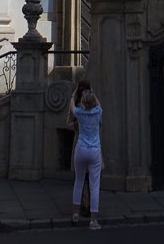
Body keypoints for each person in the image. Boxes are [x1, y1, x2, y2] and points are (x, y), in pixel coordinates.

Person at [71, 87, 103, 230]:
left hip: (81, 149)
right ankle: (93, 220)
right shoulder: (98, 113)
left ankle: (76, 214)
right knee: (94, 185)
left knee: (78, 181)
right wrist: (93, 95)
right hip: (95, 151)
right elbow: (99, 104)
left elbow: (72, 106)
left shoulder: (79, 113)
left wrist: (73, 96)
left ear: (83, 103)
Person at [68, 79, 92, 217]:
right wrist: (74, 126)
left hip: (92, 145)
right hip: (80, 143)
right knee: (82, 178)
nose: (85, 92)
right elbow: (68, 123)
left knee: (90, 179)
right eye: (83, 90)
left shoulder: (93, 104)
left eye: (87, 89)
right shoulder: (77, 107)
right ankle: (84, 205)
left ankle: (89, 207)